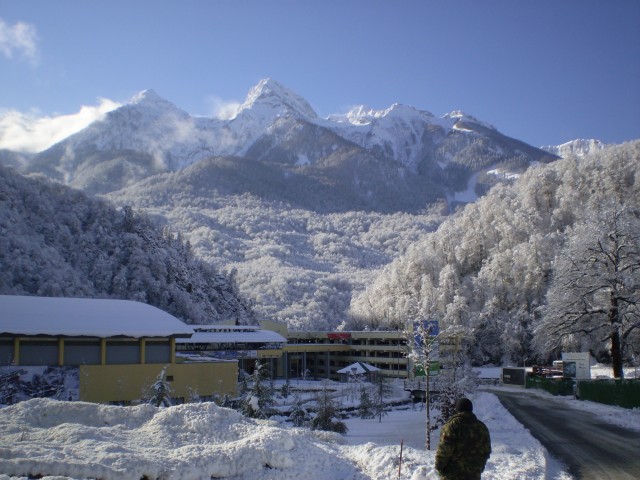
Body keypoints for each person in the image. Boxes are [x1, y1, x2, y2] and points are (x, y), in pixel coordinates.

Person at [435, 397, 491, 480]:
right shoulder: (482, 427)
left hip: (452, 475)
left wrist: (439, 466)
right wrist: (478, 468)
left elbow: (444, 449)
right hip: (473, 474)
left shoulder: (452, 425)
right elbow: (486, 451)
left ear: (458, 410)